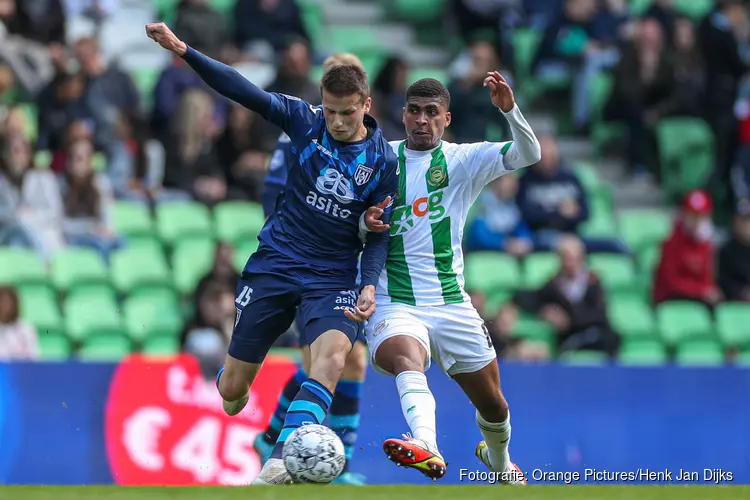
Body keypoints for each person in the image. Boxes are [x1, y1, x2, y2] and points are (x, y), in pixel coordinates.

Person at [145, 23, 400, 485]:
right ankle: (238, 379)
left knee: (333, 357)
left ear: (365, 105)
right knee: (231, 394)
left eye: (346, 113)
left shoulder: (383, 162)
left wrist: (367, 283)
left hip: (333, 274)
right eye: (330, 112)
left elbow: (380, 233)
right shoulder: (305, 120)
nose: (337, 122)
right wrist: (185, 50)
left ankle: (283, 458)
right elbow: (243, 90)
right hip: (277, 262)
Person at [361, 73, 541, 483]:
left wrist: (508, 109)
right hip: (395, 300)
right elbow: (352, 222)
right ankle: (426, 443)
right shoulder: (379, 159)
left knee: (494, 406)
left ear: (446, 119)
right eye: (414, 111)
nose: (422, 120)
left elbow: (530, 153)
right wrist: (362, 222)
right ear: (403, 115)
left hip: (451, 303)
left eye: (431, 113)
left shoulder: (464, 159)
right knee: (408, 357)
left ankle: (499, 463)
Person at [255, 52, 377, 486]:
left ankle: (331, 454)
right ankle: (292, 445)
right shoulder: (302, 130)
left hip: (347, 263)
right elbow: (272, 192)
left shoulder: (372, 144)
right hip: (302, 261)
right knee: (329, 361)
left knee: (349, 361)